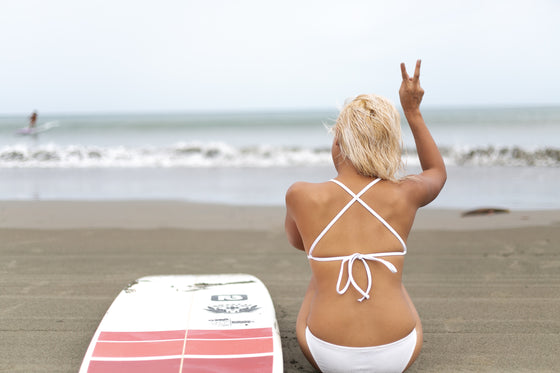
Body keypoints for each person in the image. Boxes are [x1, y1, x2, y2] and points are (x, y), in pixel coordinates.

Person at [284, 60, 446, 373]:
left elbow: (298, 243)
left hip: (327, 353)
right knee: (392, 279)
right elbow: (437, 171)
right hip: (399, 351)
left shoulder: (301, 194)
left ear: (338, 142)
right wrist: (412, 111)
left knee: (318, 276)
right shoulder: (406, 193)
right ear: (388, 144)